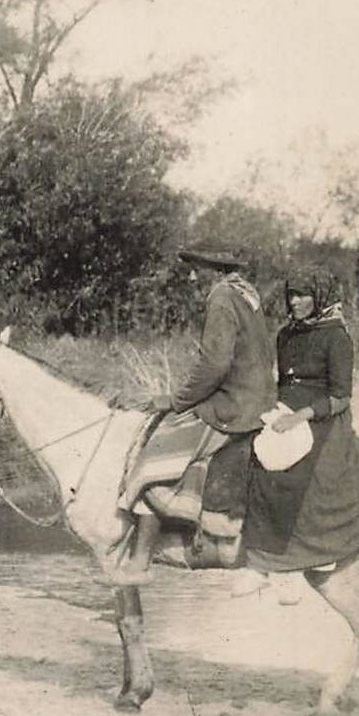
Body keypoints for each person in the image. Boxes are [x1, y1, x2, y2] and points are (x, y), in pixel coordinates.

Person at [110, 244, 276, 586]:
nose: (190, 276)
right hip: (256, 397)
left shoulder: (220, 298)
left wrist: (176, 400)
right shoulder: (247, 294)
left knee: (155, 453)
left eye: (196, 269)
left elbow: (215, 364)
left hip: (235, 405)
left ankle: (141, 561)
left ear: (215, 270)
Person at [242, 268, 359, 593]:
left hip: (323, 415)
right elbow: (283, 382)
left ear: (319, 297)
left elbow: (341, 396)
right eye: (291, 295)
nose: (295, 302)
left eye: (302, 295)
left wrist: (299, 418)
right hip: (286, 409)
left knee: (293, 466)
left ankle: (294, 564)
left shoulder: (337, 337)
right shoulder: (286, 334)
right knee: (254, 454)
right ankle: (262, 560)